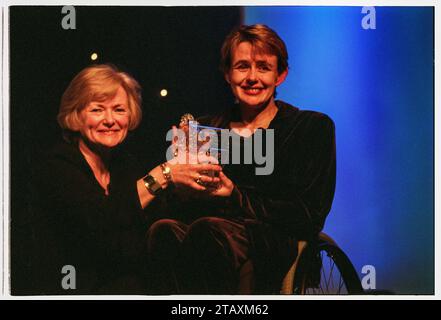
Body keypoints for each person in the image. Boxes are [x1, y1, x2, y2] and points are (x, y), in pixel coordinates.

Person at [146, 24, 336, 294]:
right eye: (242, 66)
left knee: (208, 230)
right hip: (206, 231)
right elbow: (175, 208)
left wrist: (234, 195)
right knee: (162, 229)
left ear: (280, 75)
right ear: (227, 74)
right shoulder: (205, 128)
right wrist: (181, 182)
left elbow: (308, 215)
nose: (252, 77)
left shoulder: (310, 128)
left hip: (270, 238)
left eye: (263, 67)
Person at [29, 64, 221, 294]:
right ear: (76, 115)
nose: (110, 120)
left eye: (119, 110)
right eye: (97, 110)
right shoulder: (55, 166)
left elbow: (148, 233)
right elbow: (101, 223)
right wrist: (166, 173)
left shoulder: (126, 164)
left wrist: (185, 177)